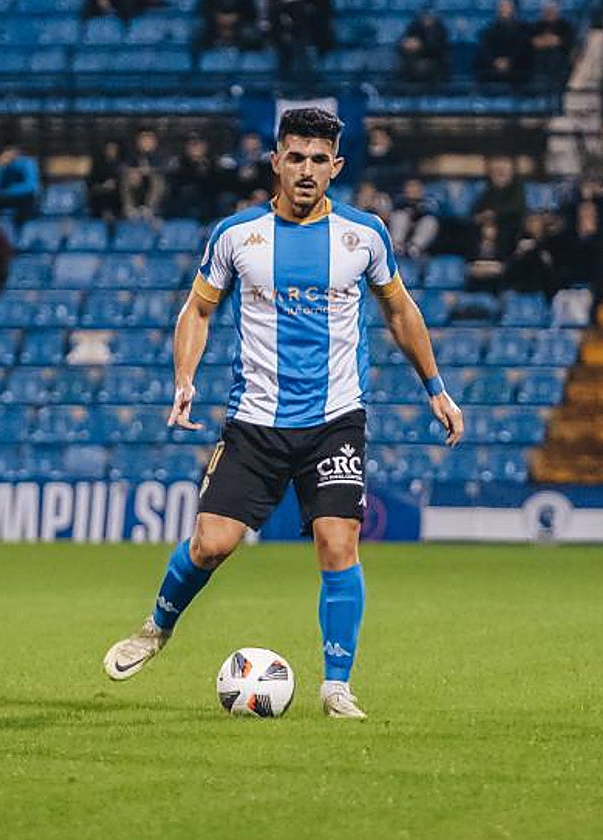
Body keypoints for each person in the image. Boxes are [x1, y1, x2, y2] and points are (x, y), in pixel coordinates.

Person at [101, 107, 463, 720]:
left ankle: (336, 685)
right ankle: (155, 628)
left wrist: (436, 387)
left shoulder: (364, 235)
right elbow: (197, 311)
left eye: (320, 160)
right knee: (212, 545)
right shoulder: (237, 235)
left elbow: (401, 311)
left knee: (338, 542)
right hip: (255, 422)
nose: (306, 170)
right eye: (295, 157)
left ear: (336, 167)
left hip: (335, 419)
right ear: (275, 161)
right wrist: (184, 378)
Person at [472, 154, 526, 255]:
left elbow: (516, 209)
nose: (500, 173)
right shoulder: (486, 191)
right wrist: (480, 218)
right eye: (496, 171)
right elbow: (475, 213)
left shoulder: (518, 189)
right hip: (485, 231)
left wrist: (494, 214)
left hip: (511, 230)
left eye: (503, 170)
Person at [165, 132, 225, 222]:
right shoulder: (178, 163)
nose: (196, 148)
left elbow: (219, 183)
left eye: (199, 145)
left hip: (209, 202)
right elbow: (175, 183)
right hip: (184, 204)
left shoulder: (214, 163)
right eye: (192, 145)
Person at [270, 0, 334, 84]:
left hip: (311, 37)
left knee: (305, 55)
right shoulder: (278, 9)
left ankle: (309, 85)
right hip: (286, 41)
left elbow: (325, 14)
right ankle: (287, 84)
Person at [475, 0, 532, 86]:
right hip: (494, 66)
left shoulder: (523, 29)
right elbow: (486, 49)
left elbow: (522, 47)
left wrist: (509, 61)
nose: (503, 9)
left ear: (513, 9)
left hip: (517, 67)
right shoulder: (489, 30)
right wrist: (495, 61)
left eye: (506, 7)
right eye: (501, 6)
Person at [0, 141, 40, 224]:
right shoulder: (3, 167)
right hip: (8, 198)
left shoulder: (27, 163)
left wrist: (9, 190)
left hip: (26, 198)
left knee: (26, 206)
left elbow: (31, 187)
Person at [398, 6, 449, 86]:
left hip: (435, 62)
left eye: (430, 17)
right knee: (410, 57)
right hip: (416, 59)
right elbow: (403, 40)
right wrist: (406, 44)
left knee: (423, 66)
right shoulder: (414, 27)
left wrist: (421, 45)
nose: (427, 19)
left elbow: (438, 49)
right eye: (424, 16)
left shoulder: (440, 30)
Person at [389, 178, 440, 259]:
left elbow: (433, 212)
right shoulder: (399, 200)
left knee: (430, 221)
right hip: (401, 234)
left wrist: (418, 209)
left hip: (419, 231)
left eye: (415, 187)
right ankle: (396, 246)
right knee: (400, 216)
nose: (413, 190)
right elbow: (390, 212)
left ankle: (415, 247)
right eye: (410, 187)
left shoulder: (429, 201)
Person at [122, 128, 165, 219]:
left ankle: (149, 209)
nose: (146, 142)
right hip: (138, 191)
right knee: (130, 176)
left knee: (157, 179)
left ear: (155, 142)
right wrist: (136, 172)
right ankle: (130, 208)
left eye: (149, 139)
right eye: (143, 139)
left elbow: (166, 170)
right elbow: (124, 168)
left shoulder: (162, 156)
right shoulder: (132, 156)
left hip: (159, 197)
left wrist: (149, 171)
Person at [530, 1, 574, 85]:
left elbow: (565, 43)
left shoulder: (566, 26)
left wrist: (549, 41)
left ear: (558, 10)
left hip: (559, 60)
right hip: (539, 60)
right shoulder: (536, 26)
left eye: (552, 9)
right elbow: (534, 42)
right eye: (547, 9)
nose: (549, 12)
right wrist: (550, 41)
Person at [198, 0, 262, 50]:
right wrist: (218, 18)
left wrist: (236, 18)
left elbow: (251, 14)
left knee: (249, 33)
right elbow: (205, 10)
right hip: (214, 24)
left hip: (240, 25)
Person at [86, 138, 124, 221]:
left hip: (118, 198)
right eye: (109, 148)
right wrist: (103, 186)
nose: (112, 151)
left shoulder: (122, 164)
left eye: (114, 149)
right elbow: (90, 185)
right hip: (101, 197)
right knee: (101, 194)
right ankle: (106, 215)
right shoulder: (97, 166)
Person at [362, 127, 409, 194]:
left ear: (388, 139)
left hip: (394, 191)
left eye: (380, 137)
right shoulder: (364, 155)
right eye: (374, 138)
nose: (376, 141)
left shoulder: (399, 155)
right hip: (369, 191)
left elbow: (401, 174)